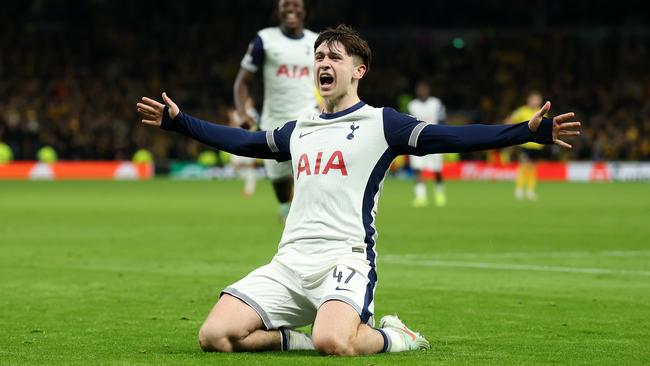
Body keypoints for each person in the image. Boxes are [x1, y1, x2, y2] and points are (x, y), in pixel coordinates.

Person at [136, 25, 580, 356]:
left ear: (358, 70)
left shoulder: (382, 124)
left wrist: (525, 132)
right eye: (318, 56)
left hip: (345, 258)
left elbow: (454, 138)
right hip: (289, 261)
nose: (323, 63)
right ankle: (298, 338)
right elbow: (246, 142)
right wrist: (181, 123)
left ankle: (396, 337)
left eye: (334, 56)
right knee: (215, 336)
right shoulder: (300, 129)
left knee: (336, 342)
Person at [234, 0, 319, 221]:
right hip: (274, 123)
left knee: (311, 179)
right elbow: (242, 82)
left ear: (305, 11)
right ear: (278, 11)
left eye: (296, 4)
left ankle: (310, 223)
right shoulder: (265, 39)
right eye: (285, 4)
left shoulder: (317, 42)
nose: (291, 8)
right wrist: (243, 113)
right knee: (281, 188)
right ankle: (285, 209)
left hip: (309, 120)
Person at [407, 80, 447, 207]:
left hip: (434, 140)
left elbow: (442, 120)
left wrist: (441, 136)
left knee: (437, 170)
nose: (422, 91)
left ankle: (439, 193)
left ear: (428, 90)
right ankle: (421, 196)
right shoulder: (412, 105)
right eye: (420, 89)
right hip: (417, 141)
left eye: (424, 89)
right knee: (418, 169)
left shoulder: (436, 103)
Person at [504, 91, 545, 200]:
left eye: (537, 100)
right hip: (525, 144)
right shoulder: (522, 111)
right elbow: (509, 120)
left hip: (537, 145)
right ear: (529, 100)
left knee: (533, 168)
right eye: (533, 99)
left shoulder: (542, 112)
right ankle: (519, 189)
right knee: (524, 166)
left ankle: (530, 190)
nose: (535, 102)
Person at [227, 101, 259, 197]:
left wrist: (236, 118)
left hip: (249, 141)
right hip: (236, 140)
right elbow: (232, 126)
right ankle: (233, 187)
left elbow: (251, 124)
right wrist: (231, 118)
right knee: (235, 166)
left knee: (250, 166)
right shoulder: (236, 112)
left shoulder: (252, 112)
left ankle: (249, 190)